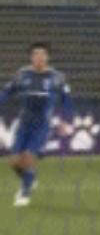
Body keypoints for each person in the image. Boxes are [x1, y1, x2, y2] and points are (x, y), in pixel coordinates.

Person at [0, 42, 73, 207]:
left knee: (28, 156)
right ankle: (30, 178)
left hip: (42, 125)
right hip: (24, 124)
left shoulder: (56, 77)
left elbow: (67, 100)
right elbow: (7, 92)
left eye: (42, 54)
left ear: (47, 57)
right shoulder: (22, 74)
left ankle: (24, 192)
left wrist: (66, 120)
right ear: (31, 57)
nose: (39, 57)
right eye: (35, 54)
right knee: (14, 161)